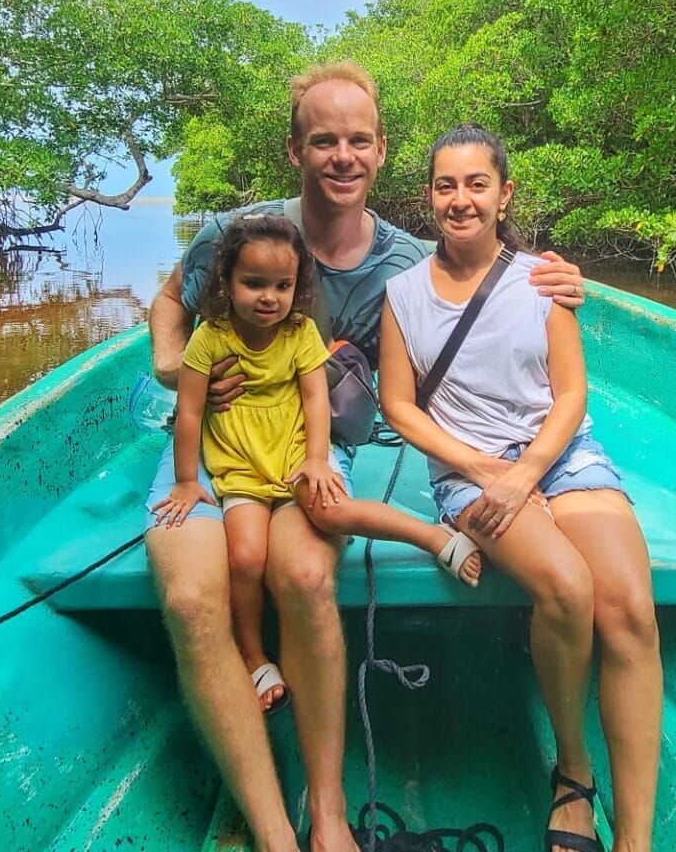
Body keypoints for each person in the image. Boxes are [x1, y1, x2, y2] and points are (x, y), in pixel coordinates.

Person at [142, 62, 586, 852]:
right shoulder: (235, 232)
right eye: (323, 141)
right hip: (208, 443)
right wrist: (181, 372)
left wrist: (565, 280)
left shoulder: (408, 261)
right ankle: (275, 829)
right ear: (294, 150)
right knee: (187, 599)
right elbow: (169, 302)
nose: (341, 156)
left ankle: (330, 810)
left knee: (307, 574)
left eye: (357, 141)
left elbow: (492, 273)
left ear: (381, 151)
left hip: (312, 449)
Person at [377, 124, 662, 852]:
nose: (461, 199)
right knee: (567, 586)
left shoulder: (544, 277)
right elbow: (399, 407)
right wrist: (483, 471)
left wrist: (529, 472)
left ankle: (637, 838)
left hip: (559, 455)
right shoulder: (403, 294)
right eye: (446, 185)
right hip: (466, 470)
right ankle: (573, 773)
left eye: (478, 184)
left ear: (505, 196)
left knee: (628, 603)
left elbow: (570, 394)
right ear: (429, 196)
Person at [153, 213, 484, 717]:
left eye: (283, 286)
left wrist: (316, 459)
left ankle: (434, 537)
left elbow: (314, 399)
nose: (269, 297)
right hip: (240, 466)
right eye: (254, 284)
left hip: (291, 453)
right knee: (244, 558)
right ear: (227, 282)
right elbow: (191, 412)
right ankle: (254, 655)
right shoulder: (211, 338)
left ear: (297, 287)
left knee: (330, 510)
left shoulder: (300, 332)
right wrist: (183, 482)